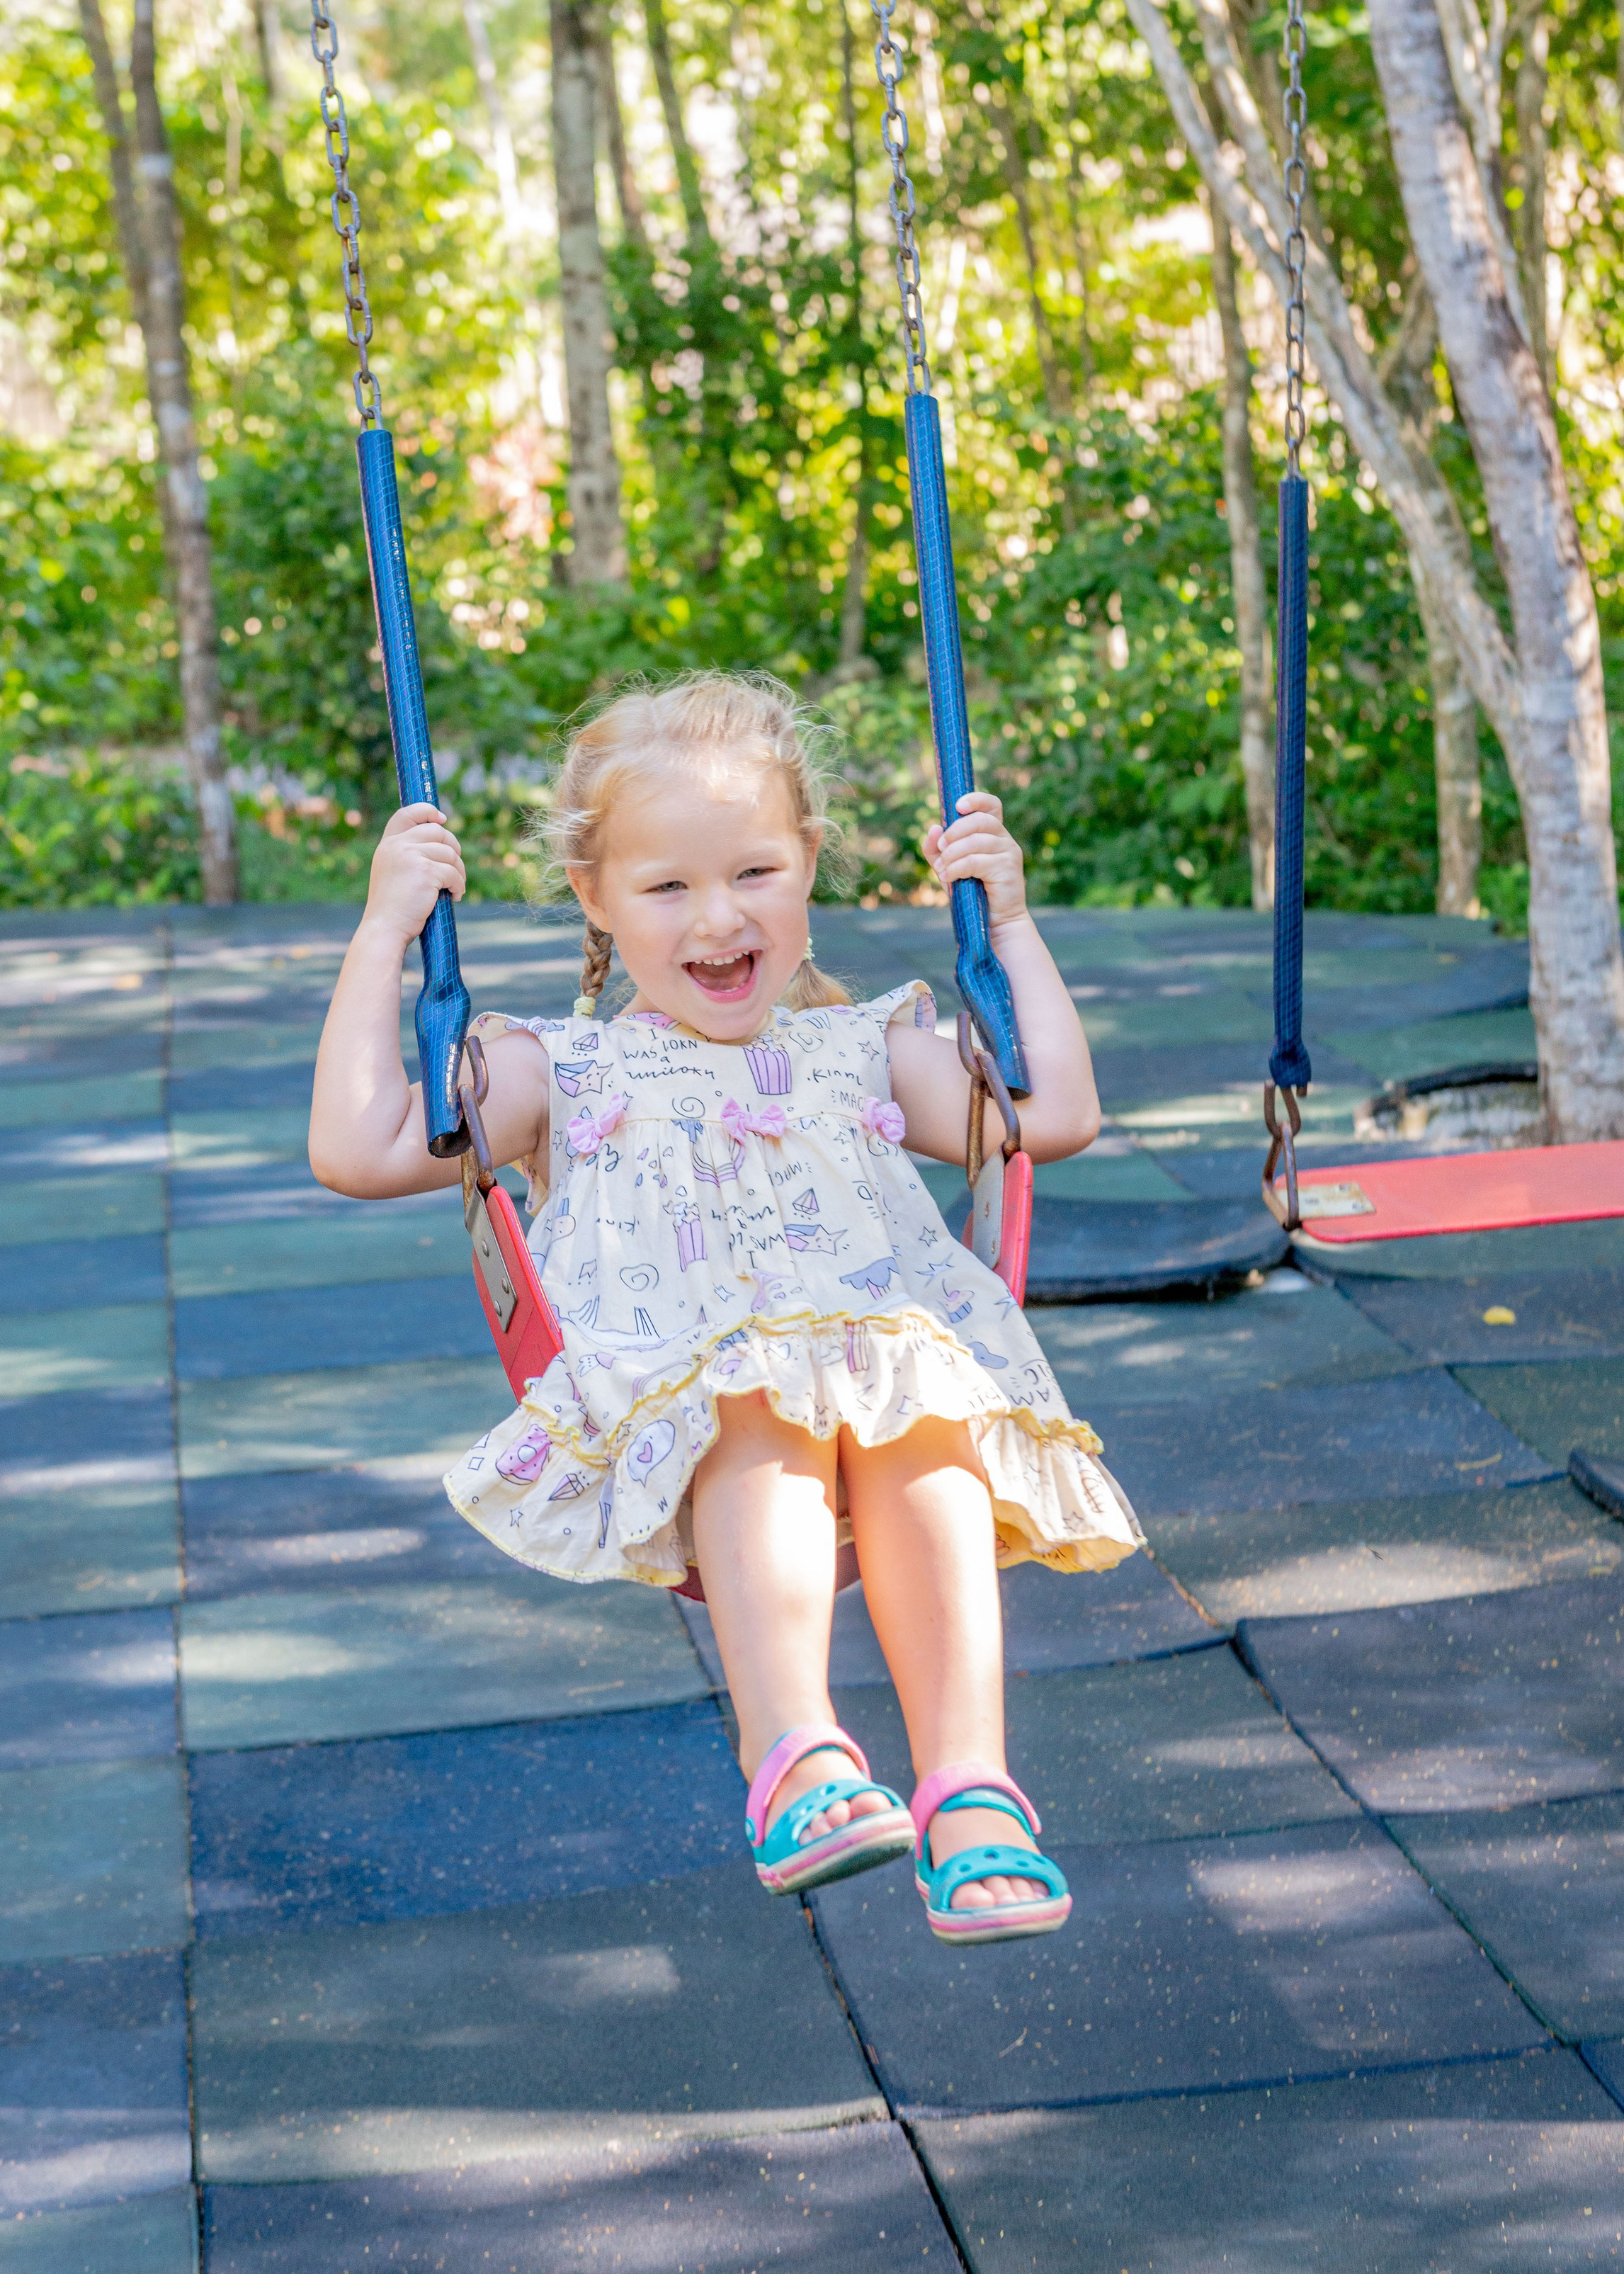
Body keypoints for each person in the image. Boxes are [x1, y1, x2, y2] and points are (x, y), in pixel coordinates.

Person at [310, 673, 1140, 1942]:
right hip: (709, 1404)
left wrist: (1011, 926)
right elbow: (360, 1144)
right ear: (594, 898)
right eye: (666, 887)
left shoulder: (867, 1046)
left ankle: (971, 1787)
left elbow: (1054, 1117)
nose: (719, 918)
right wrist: (384, 933)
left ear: (810, 863)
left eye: (755, 871)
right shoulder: (563, 1070)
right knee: (758, 1393)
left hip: (890, 1381)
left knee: (931, 1401)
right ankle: (795, 1754)